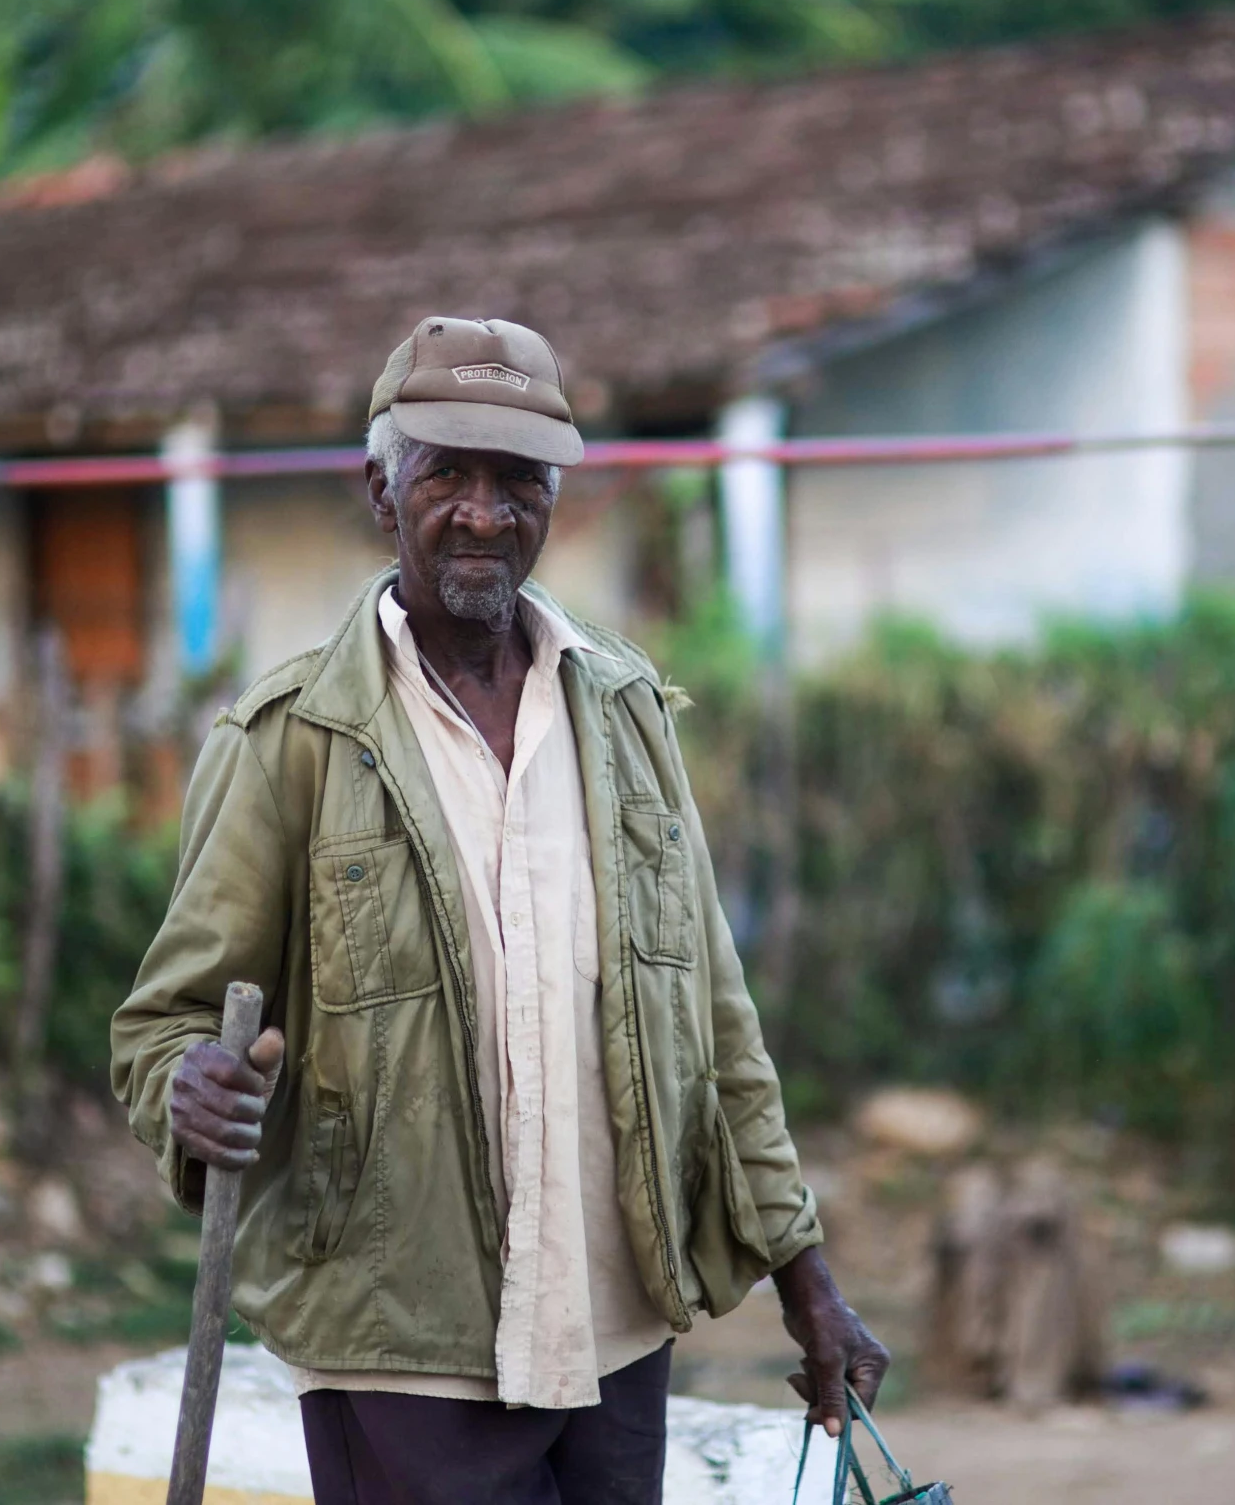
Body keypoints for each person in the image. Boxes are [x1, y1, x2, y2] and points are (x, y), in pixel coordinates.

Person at [111, 316, 887, 1505]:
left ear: (555, 499)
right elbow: (164, 1023)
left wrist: (807, 1283)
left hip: (616, 1323)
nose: (484, 513)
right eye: (447, 477)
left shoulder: (624, 712)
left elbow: (714, 1025)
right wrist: (186, 1086)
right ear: (382, 489)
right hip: (397, 1342)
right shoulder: (293, 744)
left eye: (518, 480)